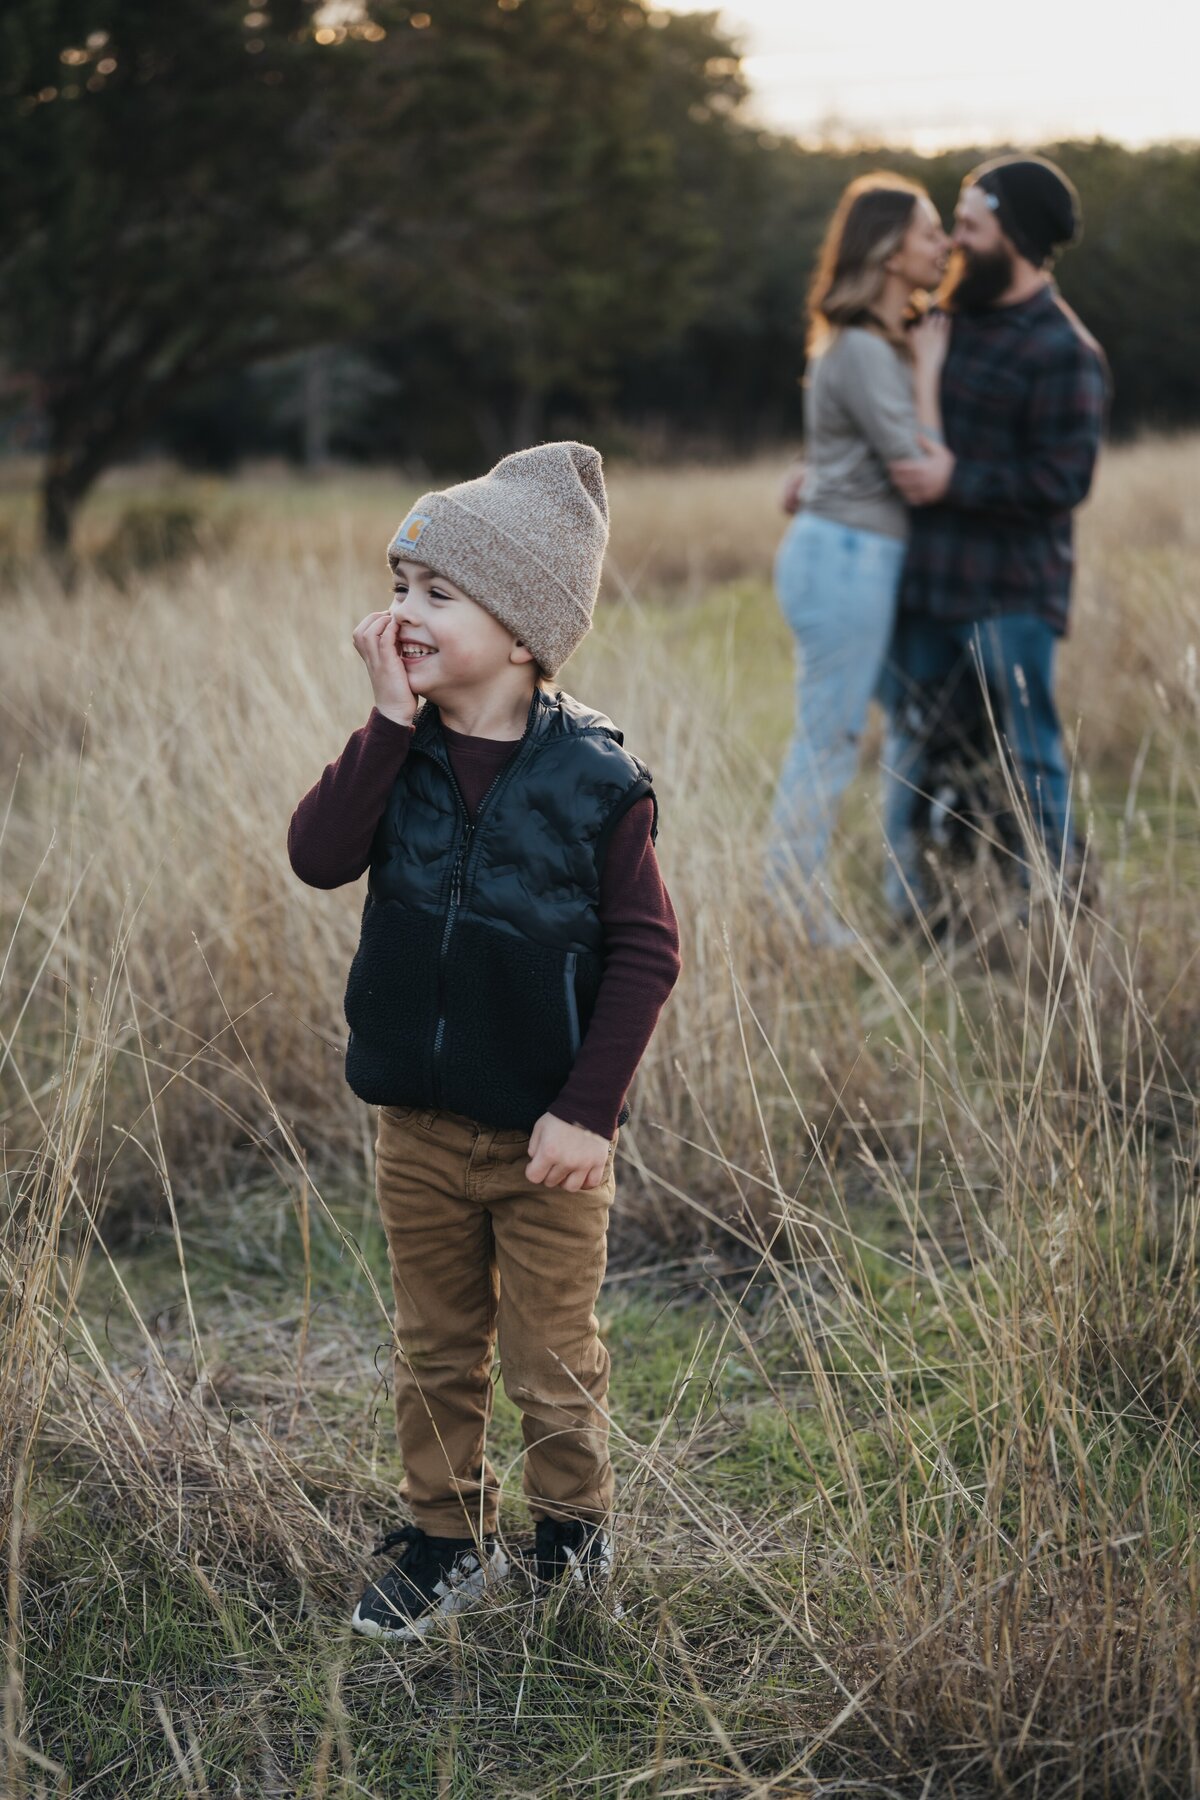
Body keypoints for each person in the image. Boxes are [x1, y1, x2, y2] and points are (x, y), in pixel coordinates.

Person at [287, 442, 681, 1640]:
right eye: (400, 587)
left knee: (553, 1353)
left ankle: (574, 1531)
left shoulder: (596, 782)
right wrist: (381, 725)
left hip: (547, 1136)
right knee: (435, 1346)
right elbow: (317, 856)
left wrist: (589, 1111)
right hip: (417, 1119)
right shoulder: (395, 752)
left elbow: (646, 956)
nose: (403, 614)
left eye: (436, 595)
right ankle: (446, 1539)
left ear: (522, 632)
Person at [882, 154, 1109, 923]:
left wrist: (958, 481)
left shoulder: (1064, 351)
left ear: (1013, 236)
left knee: (1028, 757)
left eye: (971, 228)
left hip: (1011, 597)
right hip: (925, 587)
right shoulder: (943, 325)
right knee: (921, 754)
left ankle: (1060, 913)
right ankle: (926, 913)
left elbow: (1061, 483)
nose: (952, 242)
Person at [764, 173, 951, 945]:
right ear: (889, 249)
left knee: (902, 722)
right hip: (845, 559)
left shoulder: (869, 343)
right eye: (931, 232)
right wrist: (931, 373)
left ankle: (903, 886)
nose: (943, 247)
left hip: (849, 554)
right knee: (829, 738)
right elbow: (919, 468)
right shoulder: (870, 350)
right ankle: (793, 913)